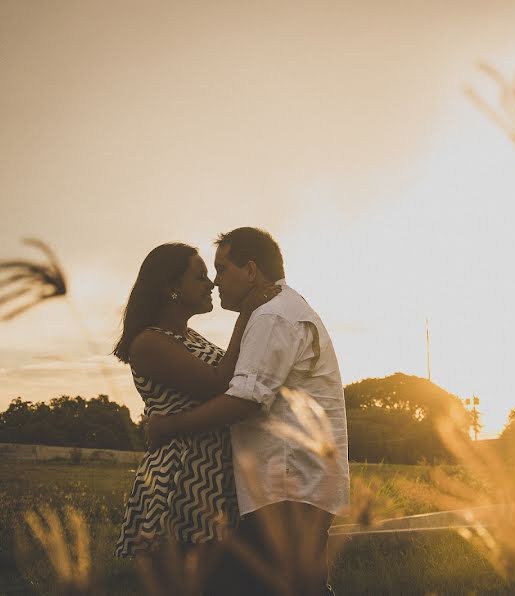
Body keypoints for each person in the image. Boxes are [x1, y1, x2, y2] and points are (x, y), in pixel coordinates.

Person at [146, 227, 350, 596]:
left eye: (222, 269)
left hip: (287, 481)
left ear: (251, 270)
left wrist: (171, 425)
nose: (216, 281)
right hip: (294, 480)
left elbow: (245, 399)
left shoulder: (272, 315)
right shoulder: (278, 309)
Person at [112, 242, 279, 581]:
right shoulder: (149, 343)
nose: (211, 284)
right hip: (183, 480)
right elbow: (219, 384)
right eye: (200, 277)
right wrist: (247, 312)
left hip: (216, 476)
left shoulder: (189, 336)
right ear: (172, 288)